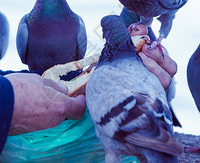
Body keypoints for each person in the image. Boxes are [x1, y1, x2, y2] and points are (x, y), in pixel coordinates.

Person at [0, 26, 177, 154]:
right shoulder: (26, 26)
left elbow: (54, 80)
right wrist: (7, 101)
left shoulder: (76, 25)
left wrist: (95, 80)